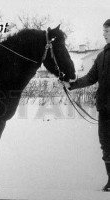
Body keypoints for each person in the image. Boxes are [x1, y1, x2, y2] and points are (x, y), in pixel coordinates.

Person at [63, 19, 110, 191]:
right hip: (104, 108)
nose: (103, 34)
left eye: (106, 31)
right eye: (103, 31)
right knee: (106, 144)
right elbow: (91, 77)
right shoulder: (101, 55)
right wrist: (72, 84)